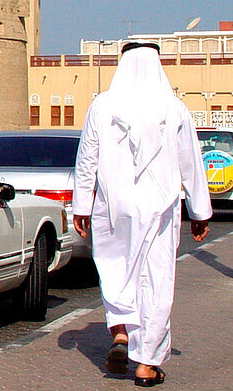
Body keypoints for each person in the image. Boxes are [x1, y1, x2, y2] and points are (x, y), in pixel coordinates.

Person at [72, 41, 211, 387]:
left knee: (117, 269)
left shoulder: (101, 107)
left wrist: (81, 206)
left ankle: (120, 332)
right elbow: (190, 162)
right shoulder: (173, 108)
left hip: (113, 207)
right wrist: (200, 211)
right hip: (160, 209)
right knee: (156, 280)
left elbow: (87, 159)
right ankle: (146, 364)